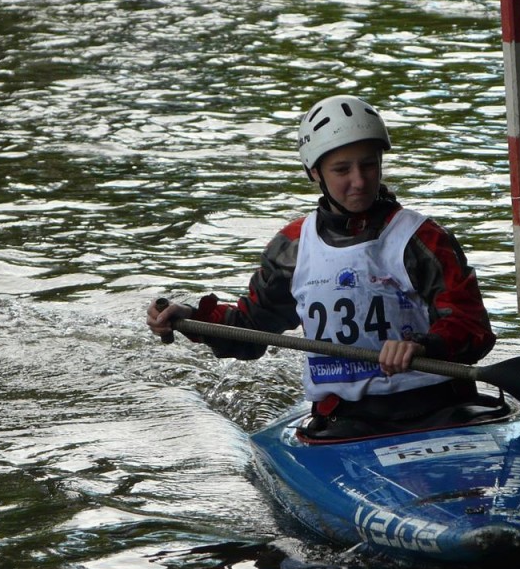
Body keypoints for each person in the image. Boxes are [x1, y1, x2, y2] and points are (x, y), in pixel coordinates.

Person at [147, 95, 497, 438]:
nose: (359, 181)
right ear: (315, 172)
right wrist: (189, 316)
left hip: (440, 407)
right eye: (342, 170)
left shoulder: (422, 239)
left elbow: (471, 326)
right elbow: (250, 329)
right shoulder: (293, 248)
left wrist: (424, 345)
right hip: (346, 422)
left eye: (369, 165)